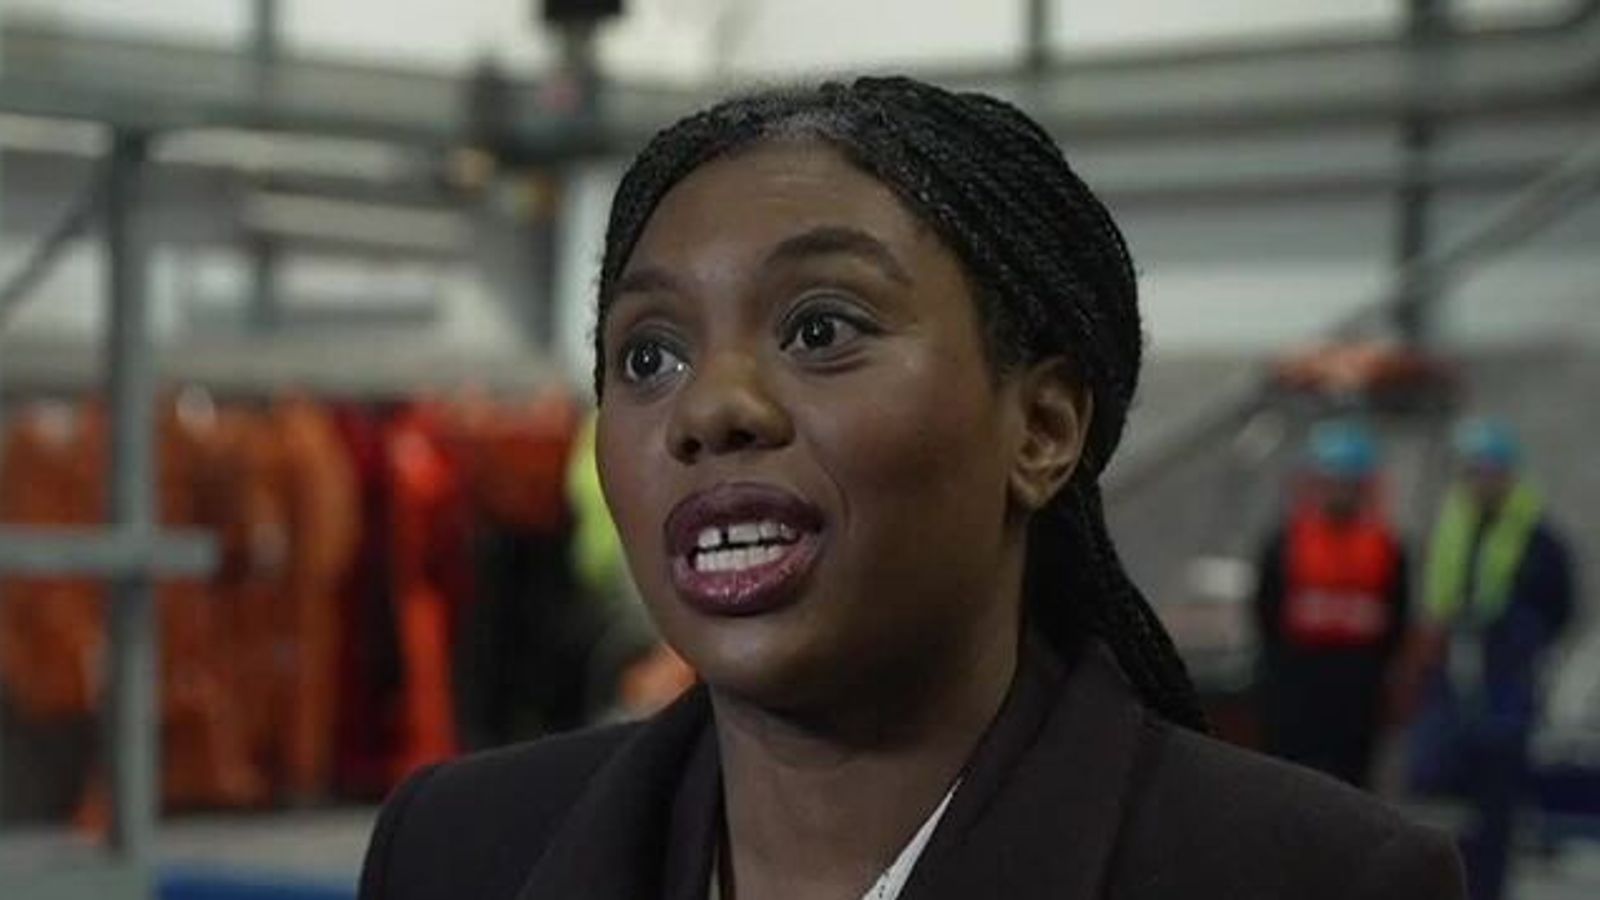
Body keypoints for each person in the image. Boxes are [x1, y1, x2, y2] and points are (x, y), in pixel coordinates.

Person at [359, 77, 1463, 900]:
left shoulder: (1316, 882)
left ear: (1042, 428)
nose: (710, 408)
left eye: (820, 329)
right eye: (649, 354)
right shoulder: (457, 853)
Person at [1409, 418, 1574, 900]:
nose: (1478, 482)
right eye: (1471, 471)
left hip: (1505, 689)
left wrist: (1519, 644)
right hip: (1451, 687)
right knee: (1443, 801)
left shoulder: (1538, 540)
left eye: (1485, 470)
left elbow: (1560, 608)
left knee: (1495, 807)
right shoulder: (1452, 531)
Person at [1254, 420, 1410, 787]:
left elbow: (1397, 616)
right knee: (1290, 775)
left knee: (1351, 778)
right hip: (1298, 677)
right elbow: (1267, 609)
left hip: (1358, 681)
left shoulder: (1387, 549)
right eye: (1330, 482)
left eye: (1347, 483)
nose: (1338, 493)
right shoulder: (1285, 544)